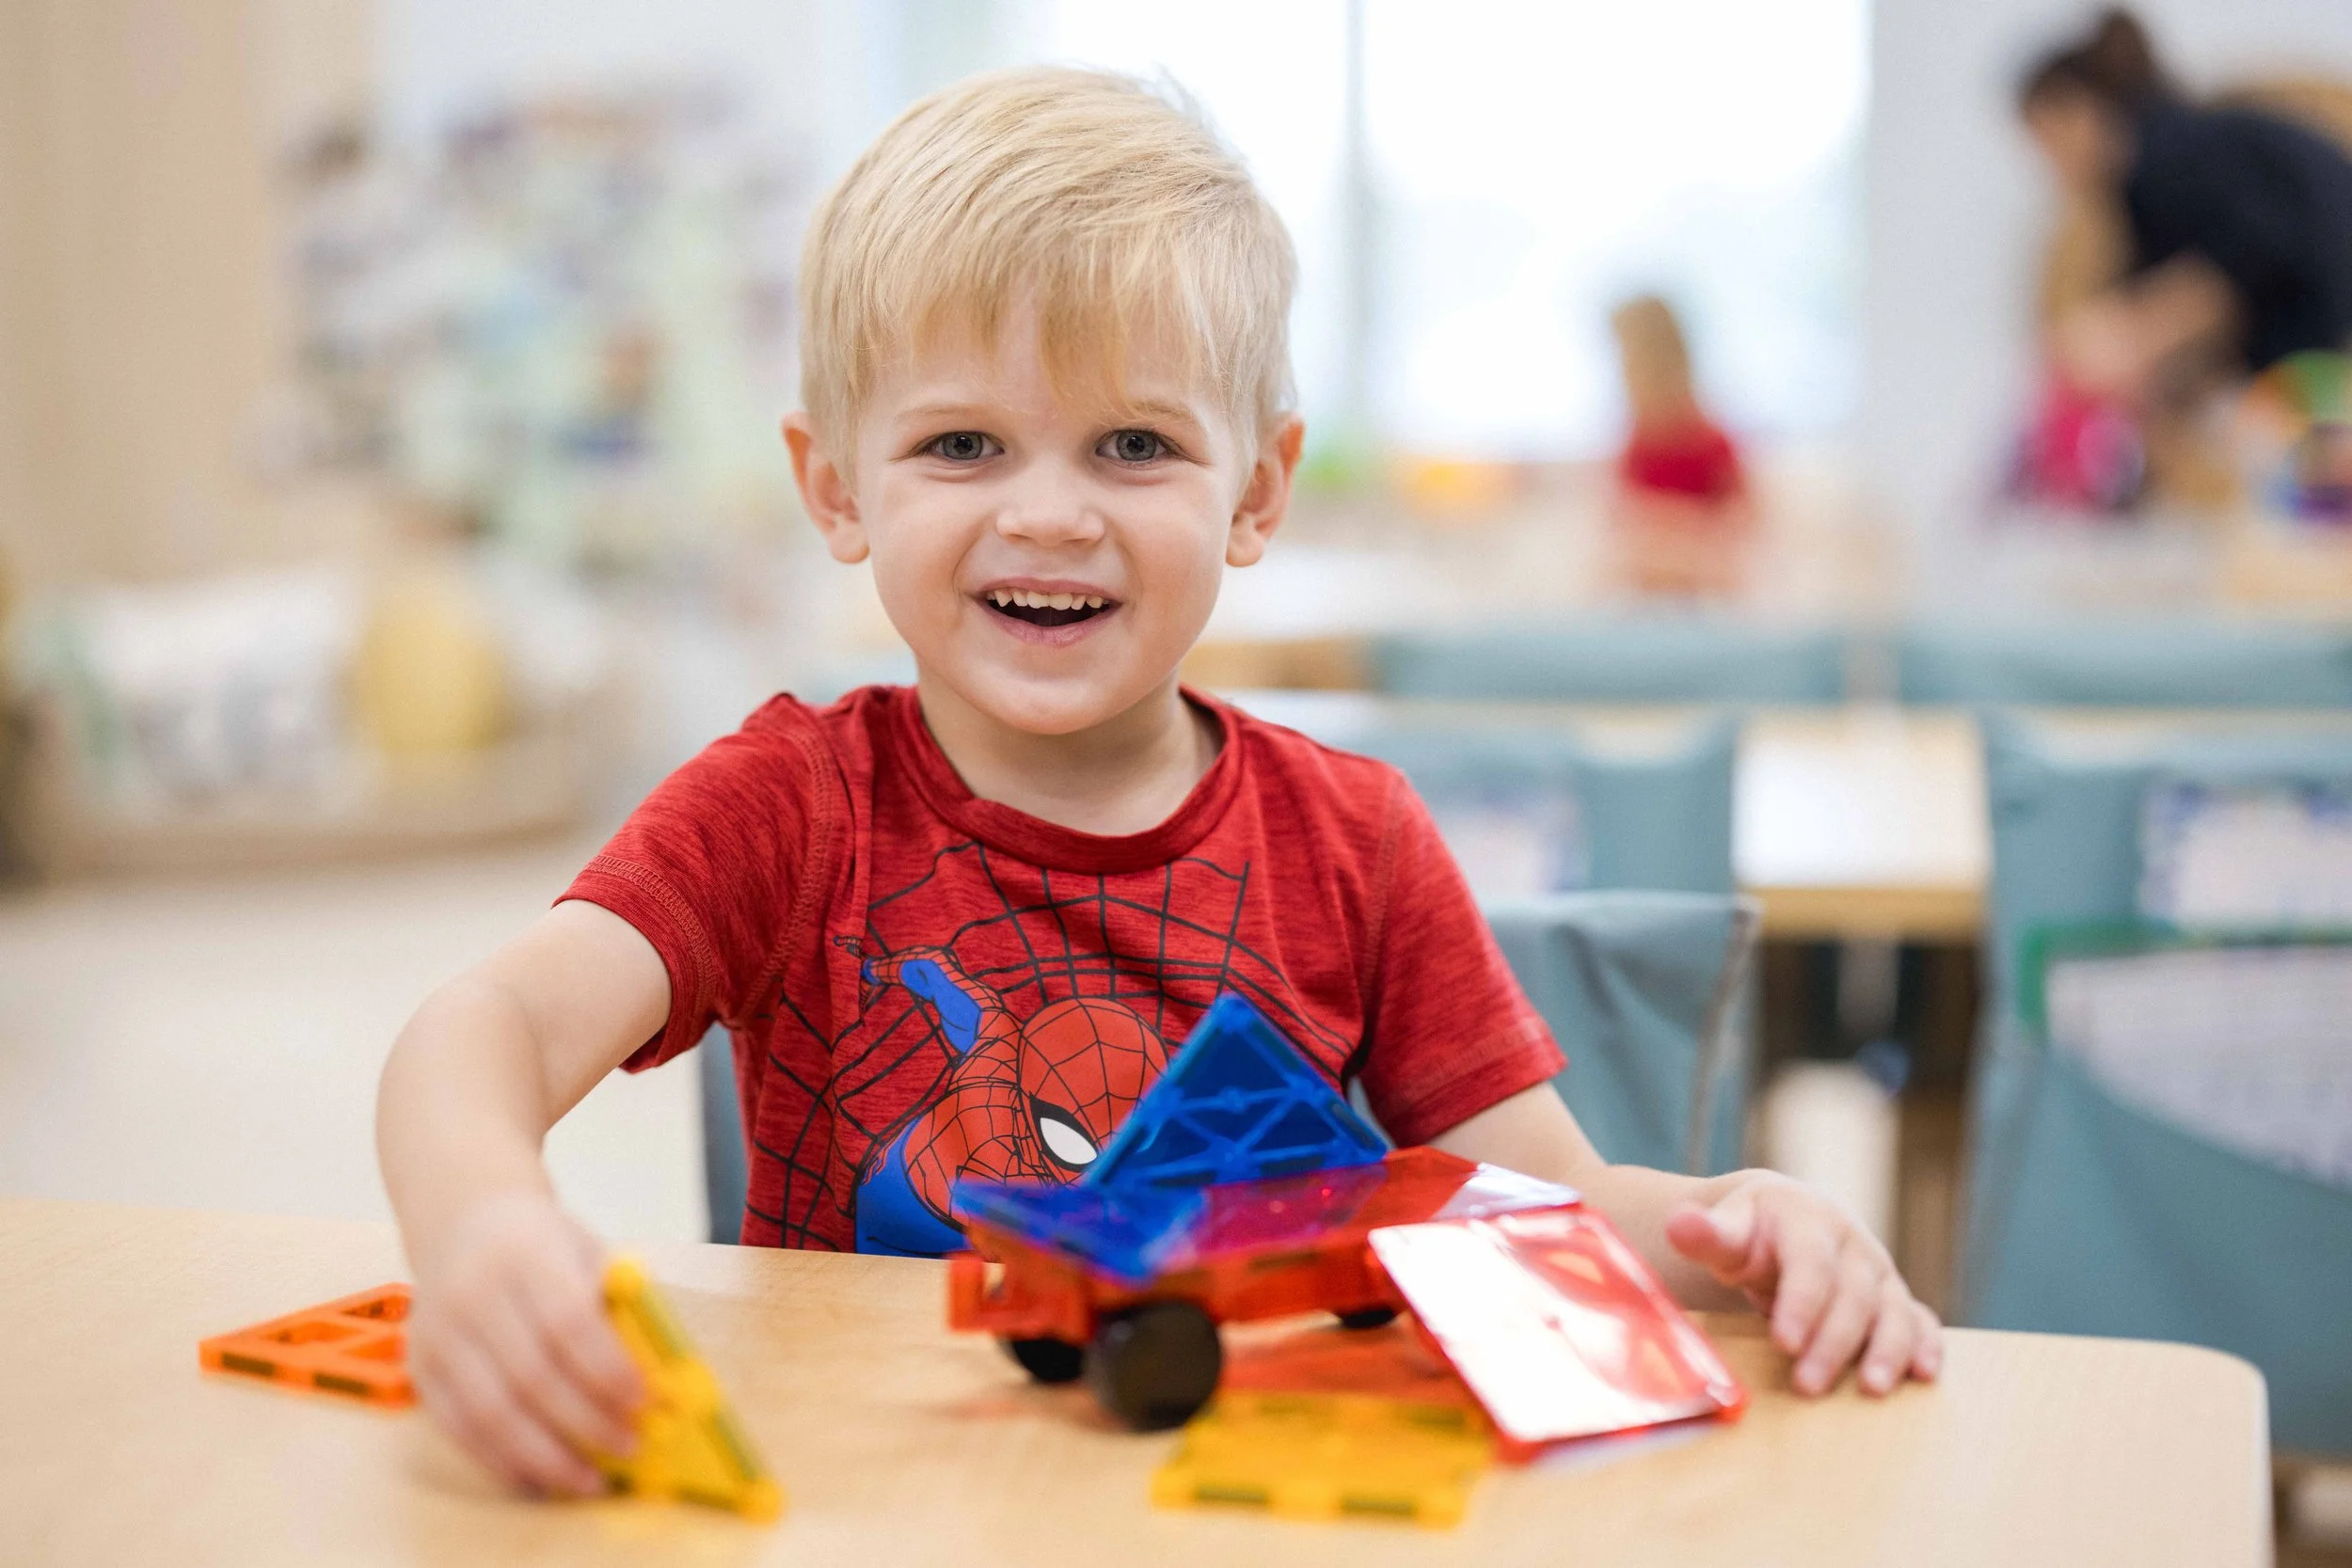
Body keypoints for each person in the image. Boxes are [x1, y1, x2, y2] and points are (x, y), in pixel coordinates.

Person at [375, 67, 1943, 1497]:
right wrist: (484, 1225)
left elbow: (1555, 1205)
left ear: (1256, 488)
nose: (1050, 514)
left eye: (1132, 445)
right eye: (963, 445)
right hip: (864, 1507)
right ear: (835, 488)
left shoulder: (1358, 838)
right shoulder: (789, 801)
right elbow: (482, 1027)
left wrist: (1751, 1218)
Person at [2020, 8, 2352, 409]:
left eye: (2045, 141)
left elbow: (2256, 246)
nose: (2050, 166)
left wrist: (2137, 332)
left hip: (2327, 337)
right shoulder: (2154, 175)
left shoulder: (2166, 157)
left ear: (2078, 115)